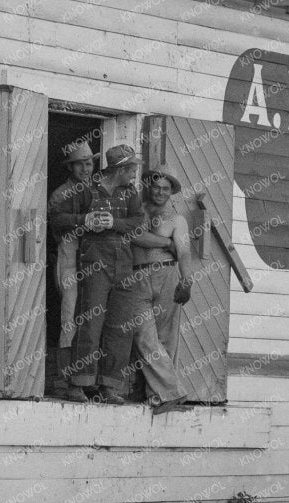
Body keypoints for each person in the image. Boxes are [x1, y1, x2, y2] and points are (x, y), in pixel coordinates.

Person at [98, 165, 194, 408]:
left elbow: (183, 252)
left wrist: (186, 280)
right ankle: (173, 392)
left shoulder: (177, 219)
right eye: (156, 186)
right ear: (148, 186)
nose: (160, 191)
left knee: (166, 338)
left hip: (168, 274)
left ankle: (157, 396)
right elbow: (133, 236)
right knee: (143, 336)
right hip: (137, 276)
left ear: (171, 191)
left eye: (165, 188)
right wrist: (165, 241)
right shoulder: (136, 211)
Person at [61, 144, 141, 401]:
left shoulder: (130, 192)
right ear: (121, 169)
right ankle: (77, 383)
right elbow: (58, 218)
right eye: (132, 169)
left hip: (124, 264)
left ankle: (109, 386)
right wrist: (85, 221)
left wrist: (114, 223)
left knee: (120, 326)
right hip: (94, 261)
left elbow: (139, 223)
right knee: (90, 323)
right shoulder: (86, 188)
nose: (134, 174)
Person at [44, 139, 99, 398]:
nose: (85, 169)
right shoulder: (60, 193)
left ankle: (87, 378)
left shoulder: (99, 190)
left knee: (92, 320)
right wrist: (83, 220)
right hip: (68, 258)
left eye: (88, 163)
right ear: (70, 168)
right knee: (69, 320)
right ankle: (65, 381)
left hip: (94, 260)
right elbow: (57, 219)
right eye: (79, 165)